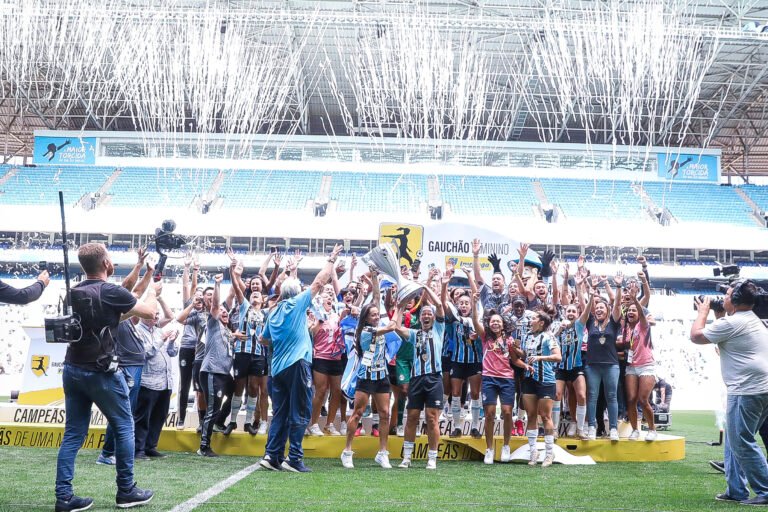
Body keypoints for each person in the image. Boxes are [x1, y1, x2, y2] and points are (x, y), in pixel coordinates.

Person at [55, 243, 157, 512]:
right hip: (100, 371)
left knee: (73, 435)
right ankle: (126, 490)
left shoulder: (73, 291)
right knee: (124, 426)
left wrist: (121, 313)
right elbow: (149, 313)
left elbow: (106, 319)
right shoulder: (110, 290)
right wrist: (154, 292)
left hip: (72, 368)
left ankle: (64, 496)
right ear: (106, 264)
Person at [259, 243, 343, 473]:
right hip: (297, 365)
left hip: (277, 369)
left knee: (280, 413)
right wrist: (331, 258)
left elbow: (262, 340)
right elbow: (319, 281)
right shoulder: (297, 305)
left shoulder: (273, 312)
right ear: (296, 293)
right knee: (301, 411)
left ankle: (272, 455)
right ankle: (294, 458)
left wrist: (285, 338)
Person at [691, 281, 768, 505]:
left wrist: (702, 313)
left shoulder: (734, 322)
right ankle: (736, 490)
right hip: (759, 388)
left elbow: (696, 336)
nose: (723, 298)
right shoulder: (749, 320)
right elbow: (723, 343)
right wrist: (718, 315)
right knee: (734, 440)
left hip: (747, 390)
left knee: (741, 441)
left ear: (734, 301)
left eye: (726, 294)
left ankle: (765, 489)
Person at [341, 271, 399, 469]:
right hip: (365, 376)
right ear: (366, 318)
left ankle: (383, 452)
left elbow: (376, 298)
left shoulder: (374, 323)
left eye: (377, 315)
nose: (376, 317)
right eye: (373, 315)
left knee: (384, 413)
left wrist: (375, 279)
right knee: (357, 413)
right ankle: (347, 450)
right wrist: (399, 306)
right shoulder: (365, 331)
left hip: (382, 375)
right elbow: (390, 327)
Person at [470, 291, 526, 464]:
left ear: (503, 325)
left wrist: (519, 352)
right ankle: (489, 449)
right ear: (489, 324)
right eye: (493, 321)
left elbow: (519, 356)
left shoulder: (509, 340)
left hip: (507, 379)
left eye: (498, 321)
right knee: (489, 414)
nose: (495, 323)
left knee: (508, 413)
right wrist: (474, 304)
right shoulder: (485, 337)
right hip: (489, 378)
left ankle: (506, 446)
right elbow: (475, 321)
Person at [394, 284, 445, 470]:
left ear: (433, 317)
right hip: (416, 379)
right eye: (423, 314)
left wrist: (425, 288)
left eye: (428, 313)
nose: (426, 316)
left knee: (432, 418)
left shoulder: (439, 329)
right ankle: (407, 457)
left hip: (433, 378)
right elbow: (397, 327)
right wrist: (401, 306)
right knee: (412, 417)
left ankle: (432, 458)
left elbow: (439, 305)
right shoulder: (415, 334)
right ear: (420, 318)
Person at [198, 274, 241, 457]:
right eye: (221, 310)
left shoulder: (228, 332)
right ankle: (204, 446)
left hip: (224, 374)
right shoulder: (213, 323)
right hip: (211, 372)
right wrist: (217, 284)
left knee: (237, 391)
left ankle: (219, 421)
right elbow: (215, 305)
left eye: (226, 311)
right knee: (212, 408)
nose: (224, 312)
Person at [583, 275, 623, 442]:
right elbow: (583, 303)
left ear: (607, 309)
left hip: (611, 365)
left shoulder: (614, 322)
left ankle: (613, 428)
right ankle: (592, 427)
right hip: (592, 366)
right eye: (596, 307)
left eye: (602, 307)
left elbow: (617, 304)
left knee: (612, 396)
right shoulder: (590, 321)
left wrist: (618, 287)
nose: (599, 309)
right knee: (592, 396)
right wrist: (589, 291)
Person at [520, 306, 561, 467]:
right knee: (530, 415)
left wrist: (540, 358)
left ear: (542, 322)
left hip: (546, 380)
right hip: (529, 379)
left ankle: (549, 453)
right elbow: (524, 355)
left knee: (545, 416)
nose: (531, 321)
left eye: (534, 318)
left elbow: (558, 357)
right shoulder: (526, 337)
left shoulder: (549, 337)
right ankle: (533, 452)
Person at [133, 310, 178, 459]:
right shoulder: (137, 331)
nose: (157, 316)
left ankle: (150, 446)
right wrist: (162, 339)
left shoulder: (159, 331)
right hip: (148, 381)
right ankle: (138, 449)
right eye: (154, 313)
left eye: (158, 313)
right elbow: (145, 353)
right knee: (143, 417)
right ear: (143, 315)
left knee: (159, 416)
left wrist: (171, 341)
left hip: (165, 382)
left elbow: (172, 353)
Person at [622, 286, 658, 441]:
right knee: (631, 399)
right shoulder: (625, 328)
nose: (631, 312)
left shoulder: (643, 325)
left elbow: (643, 313)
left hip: (646, 366)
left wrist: (635, 299)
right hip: (631, 367)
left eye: (634, 310)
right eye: (629, 310)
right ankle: (635, 429)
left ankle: (652, 429)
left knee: (643, 399)